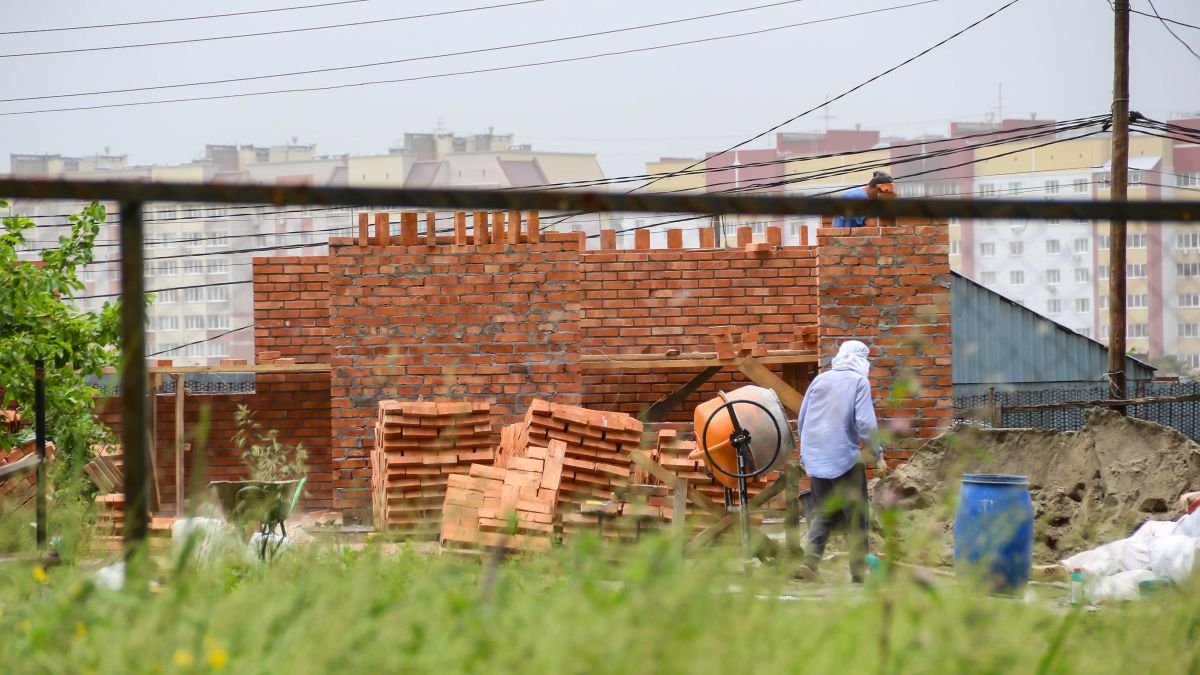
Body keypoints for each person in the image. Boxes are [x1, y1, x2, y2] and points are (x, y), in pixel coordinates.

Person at [793, 340, 885, 583]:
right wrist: (878, 456)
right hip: (844, 459)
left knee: (824, 512)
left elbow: (802, 419)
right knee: (856, 517)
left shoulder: (820, 380)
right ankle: (859, 574)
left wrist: (807, 452)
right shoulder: (858, 382)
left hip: (815, 458)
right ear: (861, 361)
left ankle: (809, 563)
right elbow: (865, 422)